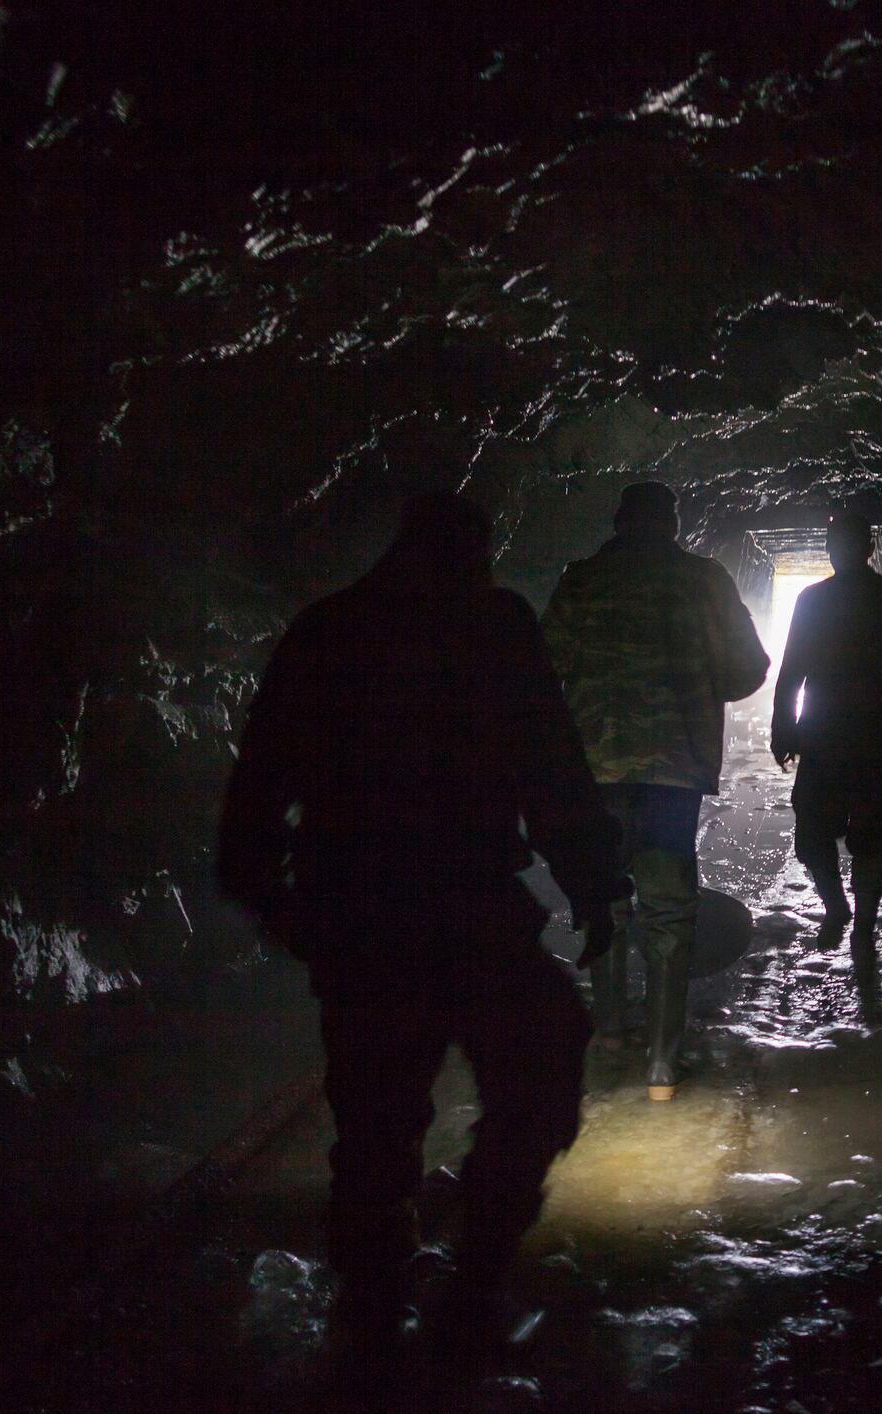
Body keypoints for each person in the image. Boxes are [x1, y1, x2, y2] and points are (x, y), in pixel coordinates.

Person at [215, 492, 628, 1344]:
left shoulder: (326, 630)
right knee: (538, 1073)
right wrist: (590, 879)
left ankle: (374, 1298)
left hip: (362, 913)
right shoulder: (494, 625)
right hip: (469, 906)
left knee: (375, 1118)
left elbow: (259, 781)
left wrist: (271, 895)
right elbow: (548, 762)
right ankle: (469, 1279)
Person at [541, 482, 770, 1100]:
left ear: (617, 522)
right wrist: (694, 681)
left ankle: (611, 1031)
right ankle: (663, 1066)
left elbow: (544, 668)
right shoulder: (704, 579)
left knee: (605, 897)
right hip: (671, 772)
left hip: (593, 773)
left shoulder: (580, 579)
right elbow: (749, 668)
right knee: (668, 909)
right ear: (673, 524)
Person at [772, 510, 882, 949]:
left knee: (817, 832)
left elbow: (793, 670)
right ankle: (857, 917)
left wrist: (783, 728)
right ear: (869, 548)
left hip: (830, 737)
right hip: (874, 740)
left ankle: (844, 912)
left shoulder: (816, 601)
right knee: (862, 832)